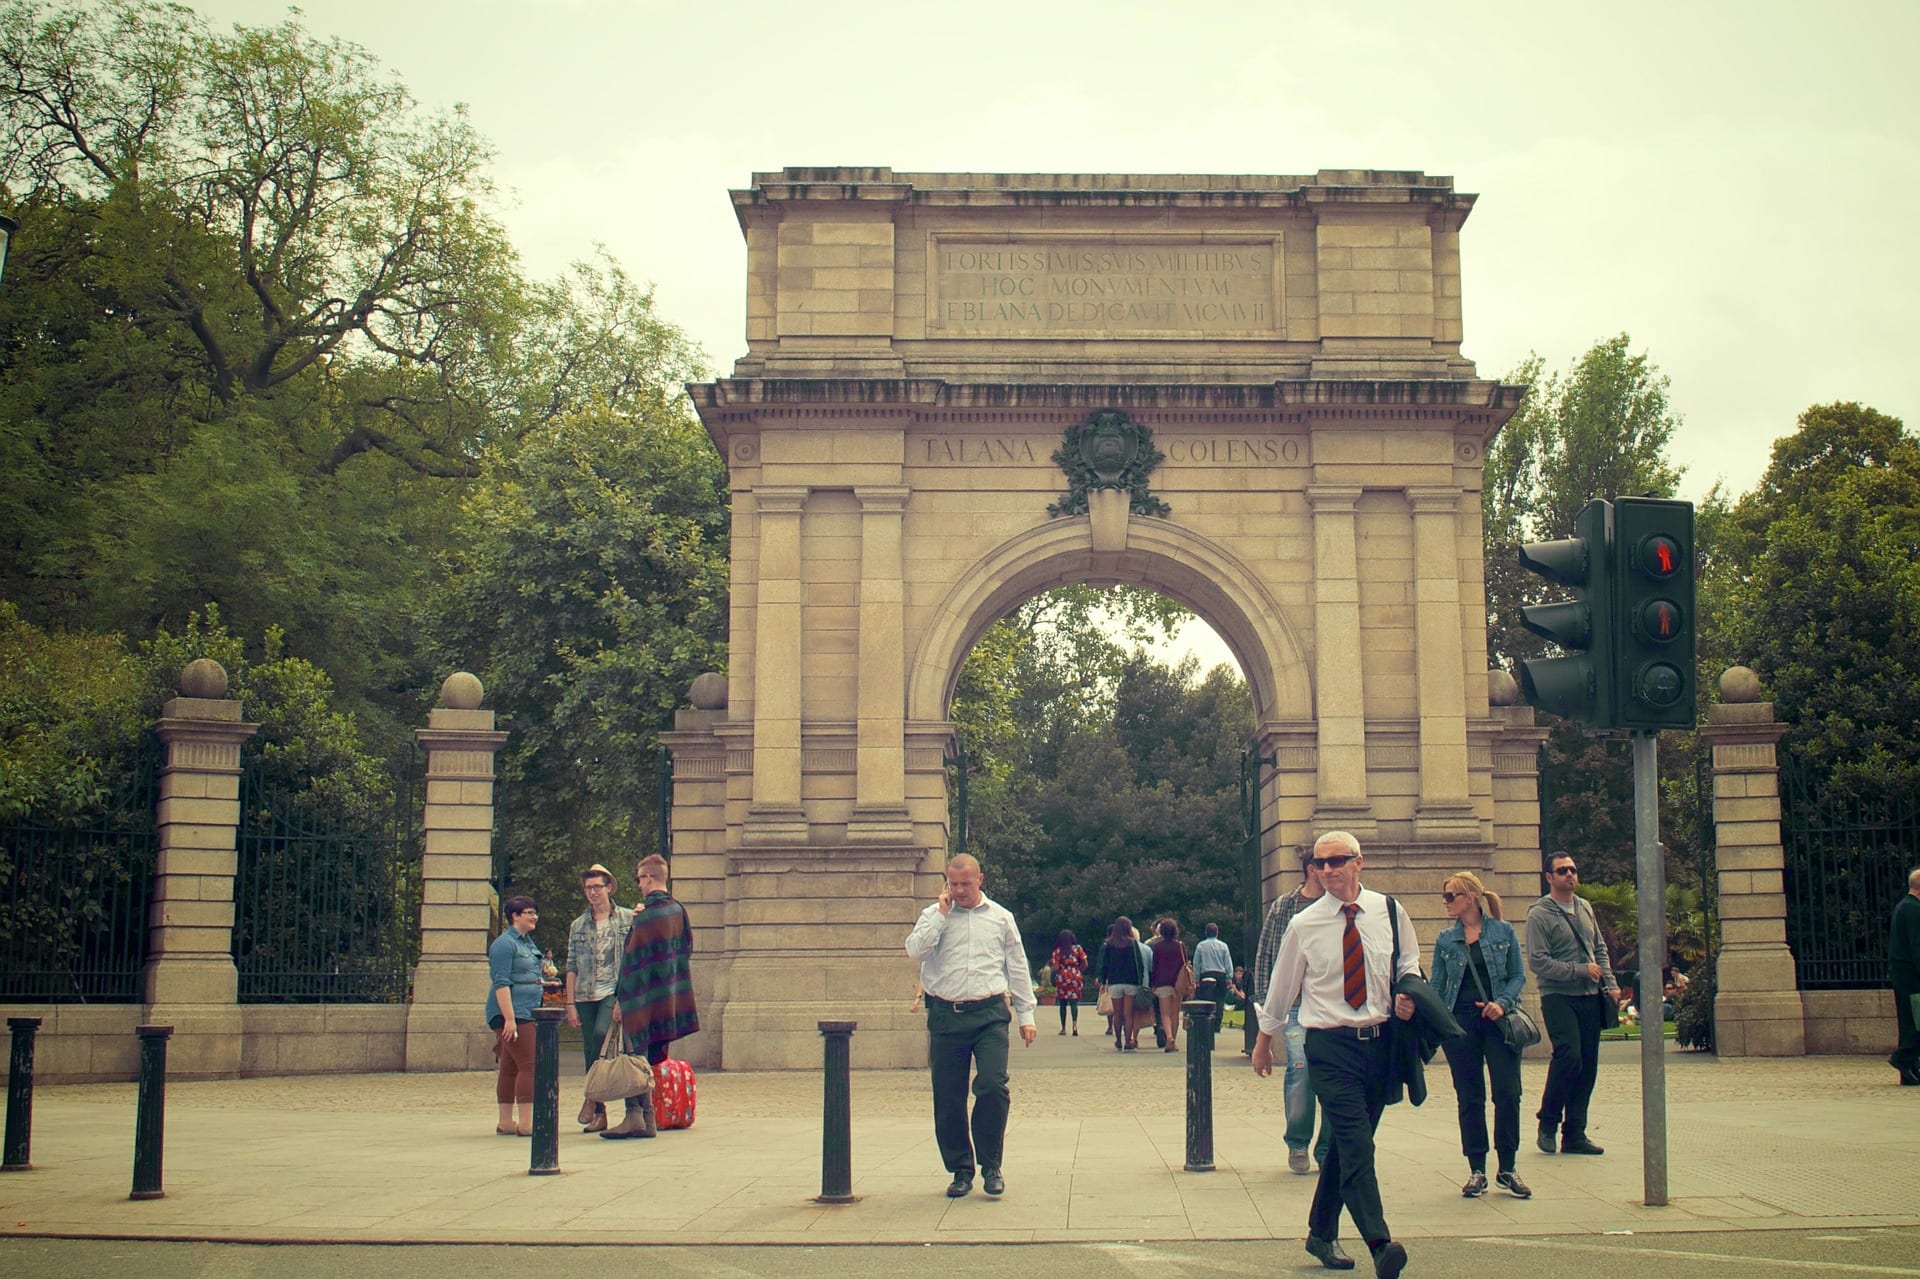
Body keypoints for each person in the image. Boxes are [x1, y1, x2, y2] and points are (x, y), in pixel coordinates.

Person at [1253, 831, 1417, 1279]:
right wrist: (1265, 1041)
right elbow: (1282, 986)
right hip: (1328, 1046)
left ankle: (1320, 1232)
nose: (1327, 870)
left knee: (1348, 1147)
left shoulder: (1389, 911)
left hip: (1379, 1045)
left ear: (1358, 862)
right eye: (1319, 863)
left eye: (1336, 861)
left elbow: (1408, 966)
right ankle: (1381, 1244)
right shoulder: (1304, 924)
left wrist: (1408, 994)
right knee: (1357, 1144)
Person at [904, 853, 1038, 1198]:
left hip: (989, 1012)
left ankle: (991, 1165)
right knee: (948, 1097)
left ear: (980, 880)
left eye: (965, 883)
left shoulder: (1000, 918)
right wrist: (940, 916)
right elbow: (915, 951)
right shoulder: (933, 916)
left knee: (993, 1086)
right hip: (946, 1015)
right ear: (945, 883)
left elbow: (1017, 966)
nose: (959, 890)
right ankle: (960, 1169)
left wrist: (1027, 1016)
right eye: (953, 883)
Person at [1428, 871, 1530, 1200]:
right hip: (1460, 1022)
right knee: (1469, 1097)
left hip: (1498, 1019)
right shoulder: (1446, 939)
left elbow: (1517, 975)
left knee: (1507, 1092)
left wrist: (1502, 1004)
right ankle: (1476, 1169)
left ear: (1469, 898)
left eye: (1450, 896)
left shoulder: (1502, 931)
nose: (1445, 903)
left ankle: (1508, 1167)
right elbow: (1437, 985)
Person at [1526, 851, 1624, 1156]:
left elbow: (1599, 949)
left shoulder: (1585, 907)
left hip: (1590, 995)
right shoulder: (1539, 914)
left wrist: (1609, 982)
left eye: (1573, 870)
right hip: (1558, 996)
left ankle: (1575, 1133)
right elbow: (1538, 962)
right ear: (1550, 877)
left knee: (1588, 1065)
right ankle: (1548, 1121)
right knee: (1569, 1056)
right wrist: (1579, 970)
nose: (1570, 875)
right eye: (1563, 871)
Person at [604, 854, 699, 1139]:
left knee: (634, 1055)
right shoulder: (678, 911)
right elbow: (687, 948)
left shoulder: (646, 916)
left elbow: (632, 962)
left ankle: (637, 1117)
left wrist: (621, 1000)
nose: (639, 885)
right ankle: (648, 1120)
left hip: (641, 998)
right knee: (645, 1056)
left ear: (648, 878)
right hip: (667, 996)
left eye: (639, 879)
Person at [1254, 848, 1333, 1175]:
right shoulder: (1285, 906)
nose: (1332, 871)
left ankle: (1329, 1147)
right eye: (1327, 865)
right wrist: (1264, 1004)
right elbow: (1267, 950)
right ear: (1312, 870)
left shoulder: (1343, 907)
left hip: (1333, 1006)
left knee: (1335, 1076)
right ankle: (1298, 1142)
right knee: (1301, 1069)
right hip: (1297, 1007)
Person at [563, 863, 636, 1132]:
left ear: (609, 888)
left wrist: (623, 998)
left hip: (611, 991)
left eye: (597, 887)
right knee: (590, 1052)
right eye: (588, 888)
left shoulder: (627, 919)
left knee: (600, 1034)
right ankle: (600, 1112)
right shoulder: (578, 925)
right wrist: (569, 1004)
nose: (592, 892)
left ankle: (591, 1099)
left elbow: (633, 960)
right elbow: (571, 965)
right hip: (584, 994)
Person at [485, 895, 545, 1136]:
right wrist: (509, 1019)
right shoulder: (504, 944)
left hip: (525, 1010)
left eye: (534, 912)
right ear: (515, 916)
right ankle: (527, 1122)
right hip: (513, 1013)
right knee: (530, 1064)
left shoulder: (527, 942)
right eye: (529, 912)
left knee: (510, 1066)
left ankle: (506, 1122)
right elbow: (501, 983)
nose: (534, 917)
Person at [1095, 916, 1147, 1050]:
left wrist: (1103, 980)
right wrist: (1140, 979)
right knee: (1128, 1014)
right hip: (1131, 981)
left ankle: (1118, 1040)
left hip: (1114, 981)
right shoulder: (1132, 943)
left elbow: (1105, 964)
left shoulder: (1109, 944)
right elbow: (1139, 963)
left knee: (1117, 1013)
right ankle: (1129, 1041)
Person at [1891, 867, 1920, 1086]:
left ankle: (1909, 1069)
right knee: (1916, 1023)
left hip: (1903, 974)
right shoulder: (1914, 910)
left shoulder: (1904, 906)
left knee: (1910, 1022)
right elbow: (1917, 947)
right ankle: (1902, 1059)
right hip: (1912, 976)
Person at [1148, 919, 1189, 1052]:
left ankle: (1169, 1037)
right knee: (1175, 1014)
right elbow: (1185, 963)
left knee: (1165, 1014)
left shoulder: (1158, 947)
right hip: (1178, 983)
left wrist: (1153, 984)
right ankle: (1174, 1041)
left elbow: (1155, 966)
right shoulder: (1180, 946)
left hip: (1162, 982)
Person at [1193, 922, 1233, 1030]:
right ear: (1217, 933)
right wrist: (1229, 978)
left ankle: (1207, 1022)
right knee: (1219, 999)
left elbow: (1197, 963)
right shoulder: (1223, 946)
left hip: (1206, 974)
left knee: (1206, 999)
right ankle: (1217, 1022)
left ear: (1206, 933)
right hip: (1220, 974)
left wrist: (1196, 979)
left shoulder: (1200, 946)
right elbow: (1228, 963)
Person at [1049, 930, 1089, 1036]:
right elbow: (1085, 963)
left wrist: (1050, 972)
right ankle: (1074, 1026)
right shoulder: (1078, 949)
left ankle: (1063, 1028)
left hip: (1062, 977)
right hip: (1075, 976)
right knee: (1074, 1002)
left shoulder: (1058, 951)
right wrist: (1079, 971)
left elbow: (1056, 966)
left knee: (1062, 1003)